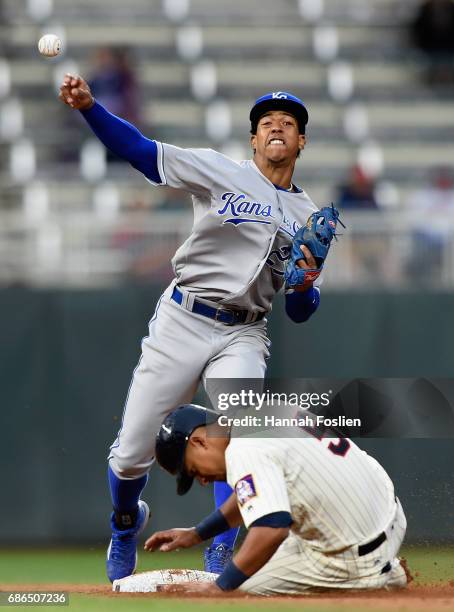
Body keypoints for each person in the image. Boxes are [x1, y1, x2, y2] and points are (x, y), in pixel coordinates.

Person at [58, 76, 327, 582]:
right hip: (184, 316)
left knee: (238, 439)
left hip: (245, 331)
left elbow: (300, 311)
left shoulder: (308, 217)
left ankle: (221, 548)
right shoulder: (221, 172)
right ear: (253, 139)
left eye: (288, 124)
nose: (276, 127)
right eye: (266, 122)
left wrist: (305, 284)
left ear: (301, 142)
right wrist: (91, 108)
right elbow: (140, 152)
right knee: (133, 448)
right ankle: (124, 523)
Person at [144, 404, 409, 595]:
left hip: (349, 556)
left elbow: (272, 529)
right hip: (388, 513)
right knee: (253, 562)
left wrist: (219, 587)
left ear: (200, 442)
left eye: (192, 470)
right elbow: (255, 494)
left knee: (238, 592)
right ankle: (382, 567)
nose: (202, 480)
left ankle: (376, 578)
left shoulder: (241, 451)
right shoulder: (263, 414)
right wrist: (197, 534)